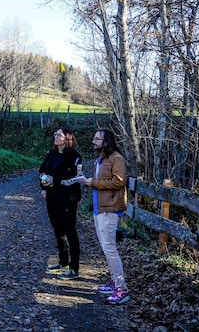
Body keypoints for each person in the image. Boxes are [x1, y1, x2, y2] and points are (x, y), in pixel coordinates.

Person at [77, 128, 130, 304]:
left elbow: (119, 181)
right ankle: (115, 282)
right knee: (106, 247)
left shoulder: (117, 158)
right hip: (99, 208)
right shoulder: (102, 159)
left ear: (106, 141)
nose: (93, 141)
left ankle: (122, 289)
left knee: (110, 248)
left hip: (110, 209)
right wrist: (87, 181)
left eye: (97, 139)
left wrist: (92, 182)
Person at [39, 127, 83, 280]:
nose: (56, 137)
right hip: (51, 197)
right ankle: (63, 261)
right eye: (55, 135)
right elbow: (42, 170)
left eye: (59, 135)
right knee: (58, 230)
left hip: (67, 198)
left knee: (70, 231)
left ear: (68, 138)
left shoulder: (74, 156)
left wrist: (55, 181)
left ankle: (74, 268)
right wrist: (44, 187)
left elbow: (75, 177)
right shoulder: (51, 154)